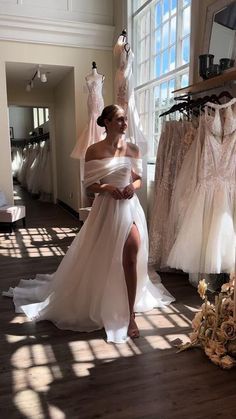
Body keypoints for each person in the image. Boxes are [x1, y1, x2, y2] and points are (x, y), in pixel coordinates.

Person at [3, 104, 174, 344]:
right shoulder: (94, 150)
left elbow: (138, 181)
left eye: (125, 120)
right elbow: (90, 185)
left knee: (132, 255)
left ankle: (130, 313)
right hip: (106, 209)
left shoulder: (133, 149)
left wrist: (129, 188)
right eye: (120, 119)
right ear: (106, 122)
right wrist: (108, 188)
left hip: (129, 208)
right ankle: (103, 296)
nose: (125, 124)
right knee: (104, 256)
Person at [70, 62, 105, 159]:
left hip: (99, 100)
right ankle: (92, 142)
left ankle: (99, 139)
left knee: (99, 118)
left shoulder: (102, 77)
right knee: (92, 118)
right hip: (90, 100)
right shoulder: (87, 77)